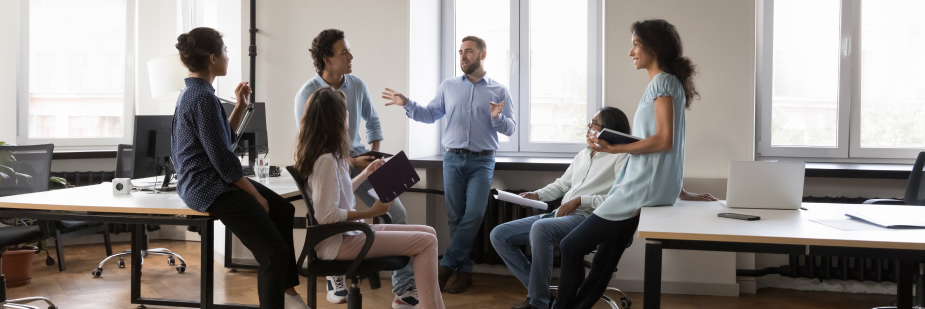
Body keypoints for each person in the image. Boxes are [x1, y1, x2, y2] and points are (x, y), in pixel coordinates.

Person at [491, 108, 715, 309]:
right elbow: (562, 185)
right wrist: (536, 194)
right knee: (499, 235)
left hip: (589, 218)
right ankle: (541, 294)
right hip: (560, 214)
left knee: (541, 229)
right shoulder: (583, 155)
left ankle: (538, 302)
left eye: (594, 124)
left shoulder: (622, 158)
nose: (589, 128)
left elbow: (618, 198)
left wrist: (581, 200)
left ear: (608, 130)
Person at [552, 19, 700, 309]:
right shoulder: (669, 83)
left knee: (571, 246)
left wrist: (617, 146)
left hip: (638, 189)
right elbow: (667, 148)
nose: (630, 52)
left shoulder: (663, 82)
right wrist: (681, 190)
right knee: (603, 263)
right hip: (650, 188)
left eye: (635, 44)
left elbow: (664, 141)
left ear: (653, 47)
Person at [170, 27, 306, 309]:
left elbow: (222, 141)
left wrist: (241, 107)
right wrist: (255, 197)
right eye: (225, 51)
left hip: (212, 179)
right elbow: (222, 159)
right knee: (273, 254)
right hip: (208, 187)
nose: (228, 57)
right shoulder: (202, 98)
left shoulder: (196, 93)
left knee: (284, 209)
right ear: (212, 58)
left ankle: (287, 292)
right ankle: (281, 299)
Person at [382, 35, 515, 294]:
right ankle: (464, 272)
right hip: (452, 158)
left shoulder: (498, 90)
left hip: (483, 160)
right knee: (455, 218)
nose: (463, 56)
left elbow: (510, 128)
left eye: (469, 51)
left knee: (474, 214)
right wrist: (406, 103)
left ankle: (447, 265)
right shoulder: (449, 86)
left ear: (482, 55)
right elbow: (430, 114)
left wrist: (497, 119)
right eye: (461, 51)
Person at [293, 28, 415, 306]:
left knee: (398, 213)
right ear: (327, 59)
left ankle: (404, 290)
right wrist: (347, 162)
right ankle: (335, 275)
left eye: (349, 50)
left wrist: (373, 158)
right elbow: (309, 145)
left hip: (361, 161)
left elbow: (374, 123)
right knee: (334, 216)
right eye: (343, 52)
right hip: (329, 166)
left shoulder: (357, 84)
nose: (351, 56)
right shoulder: (308, 93)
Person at [294, 87, 444, 309]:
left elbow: (338, 195)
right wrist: (372, 212)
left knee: (429, 232)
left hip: (348, 233)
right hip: (339, 242)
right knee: (427, 242)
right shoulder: (326, 159)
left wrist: (365, 175)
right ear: (334, 118)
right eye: (344, 111)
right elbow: (327, 215)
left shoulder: (329, 155)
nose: (347, 116)